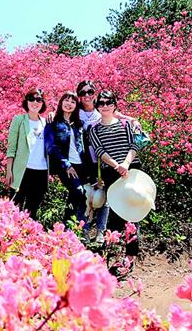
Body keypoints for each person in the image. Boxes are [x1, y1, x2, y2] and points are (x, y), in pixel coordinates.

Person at [76, 80, 139, 244]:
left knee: (106, 198)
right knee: (84, 196)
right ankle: (82, 232)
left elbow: (120, 117)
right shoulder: (77, 113)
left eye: (90, 92)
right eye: (83, 93)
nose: (87, 95)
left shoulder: (102, 113)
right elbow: (63, 114)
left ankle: (102, 233)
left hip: (103, 164)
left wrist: (132, 119)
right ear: (79, 96)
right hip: (84, 161)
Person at [89, 90, 142, 268]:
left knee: (133, 211)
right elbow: (100, 151)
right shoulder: (94, 129)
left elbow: (136, 143)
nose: (105, 106)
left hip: (131, 169)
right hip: (112, 172)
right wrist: (116, 166)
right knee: (116, 212)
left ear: (114, 105)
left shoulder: (126, 125)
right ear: (97, 106)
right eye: (101, 103)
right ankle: (111, 250)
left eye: (108, 103)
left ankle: (131, 255)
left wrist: (126, 164)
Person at [44, 91, 90, 236]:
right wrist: (66, 164)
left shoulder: (79, 125)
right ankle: (74, 229)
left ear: (76, 106)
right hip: (66, 166)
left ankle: (66, 231)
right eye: (66, 100)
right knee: (79, 192)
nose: (69, 104)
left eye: (73, 102)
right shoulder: (53, 123)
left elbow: (84, 146)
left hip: (81, 165)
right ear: (61, 102)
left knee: (75, 196)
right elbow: (50, 146)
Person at [6, 89, 48, 219]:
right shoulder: (19, 120)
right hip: (22, 170)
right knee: (14, 209)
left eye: (39, 99)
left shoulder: (46, 123)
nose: (35, 102)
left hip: (41, 172)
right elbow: (11, 148)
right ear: (26, 102)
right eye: (31, 99)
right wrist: (9, 171)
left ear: (42, 103)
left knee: (32, 210)